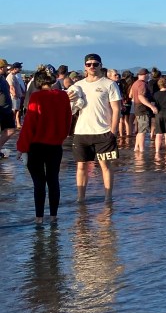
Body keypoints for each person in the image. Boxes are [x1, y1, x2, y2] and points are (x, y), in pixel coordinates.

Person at [15, 67, 72, 223]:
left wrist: (21, 148)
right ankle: (53, 216)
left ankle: (39, 218)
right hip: (55, 145)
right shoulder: (63, 96)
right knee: (53, 180)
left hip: (36, 146)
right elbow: (68, 120)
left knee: (39, 183)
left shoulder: (36, 97)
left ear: (38, 83)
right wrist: (61, 137)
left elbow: (29, 125)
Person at [68, 53, 122, 202]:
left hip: (103, 132)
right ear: (84, 66)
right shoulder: (78, 86)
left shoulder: (109, 84)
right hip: (81, 132)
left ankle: (108, 198)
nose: (92, 66)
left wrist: (114, 131)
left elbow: (116, 109)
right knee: (81, 167)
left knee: (105, 165)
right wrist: (68, 99)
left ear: (100, 65)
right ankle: (80, 199)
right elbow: (68, 108)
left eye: (95, 64)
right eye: (89, 64)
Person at [130, 68, 158, 153]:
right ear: (145, 75)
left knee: (140, 130)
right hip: (142, 108)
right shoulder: (142, 84)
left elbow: (130, 95)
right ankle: (141, 150)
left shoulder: (135, 83)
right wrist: (151, 106)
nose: (149, 76)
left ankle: (136, 148)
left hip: (137, 107)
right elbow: (141, 97)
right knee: (143, 130)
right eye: (148, 74)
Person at [0, 60, 15, 157]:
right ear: (1, 68)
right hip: (1, 109)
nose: (7, 68)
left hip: (7, 110)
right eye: (6, 67)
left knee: (10, 130)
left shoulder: (2, 78)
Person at [7, 62, 26, 129]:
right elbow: (11, 87)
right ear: (15, 68)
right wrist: (15, 95)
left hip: (17, 96)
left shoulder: (14, 76)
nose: (20, 69)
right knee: (14, 111)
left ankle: (17, 124)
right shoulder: (10, 76)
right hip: (14, 97)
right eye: (19, 68)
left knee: (17, 110)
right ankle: (12, 124)